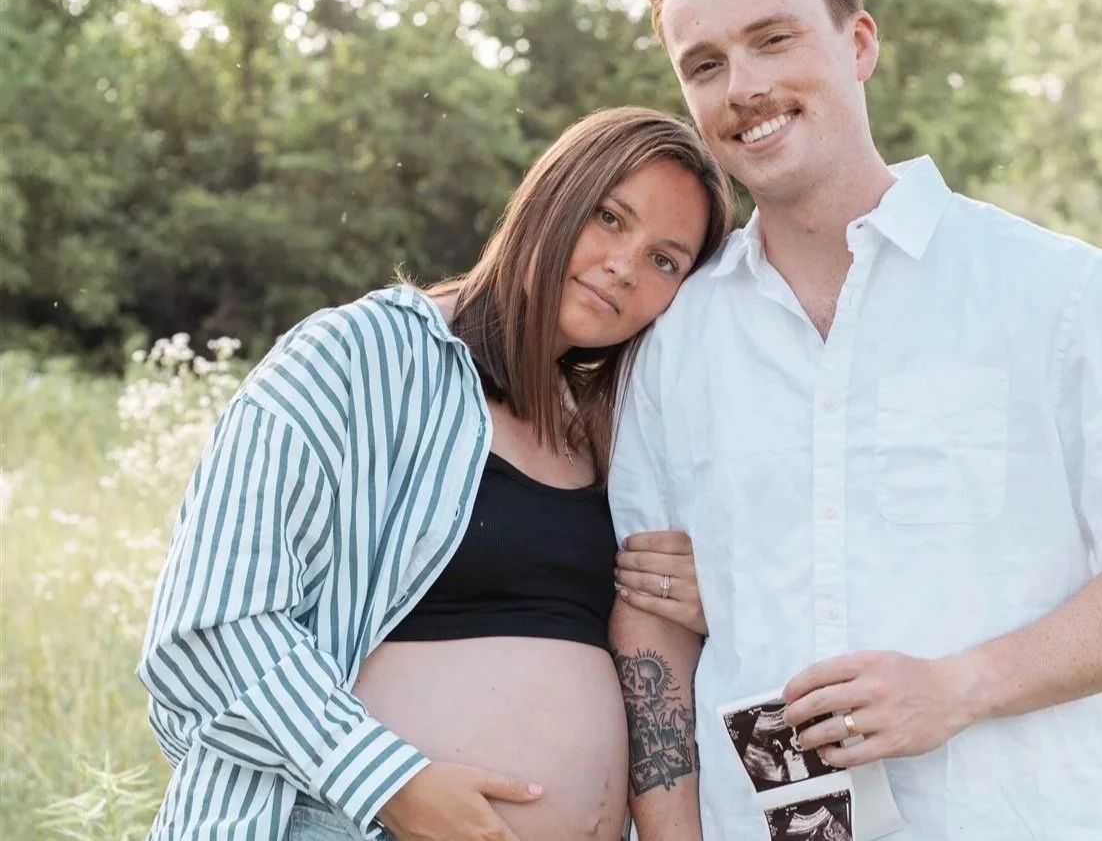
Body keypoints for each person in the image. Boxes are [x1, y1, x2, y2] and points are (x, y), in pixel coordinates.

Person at [607, 0, 1102, 841]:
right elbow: (652, 621)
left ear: (858, 42)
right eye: (704, 65)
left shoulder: (1053, 289)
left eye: (773, 39)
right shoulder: (672, 341)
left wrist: (958, 686)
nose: (741, 85)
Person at [136, 106, 735, 841]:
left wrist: (711, 602)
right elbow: (207, 625)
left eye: (664, 260)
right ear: (555, 195)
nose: (625, 265)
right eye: (610, 218)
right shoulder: (357, 356)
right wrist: (391, 782)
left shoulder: (613, 432)